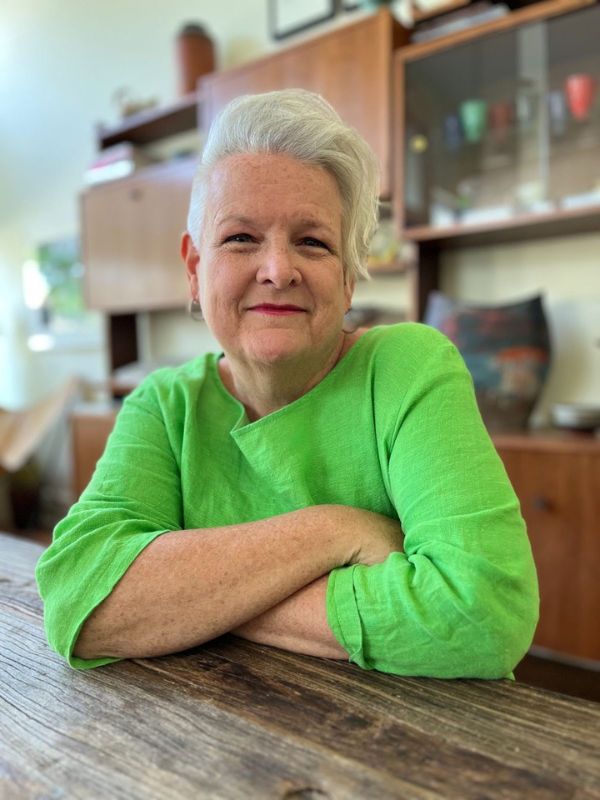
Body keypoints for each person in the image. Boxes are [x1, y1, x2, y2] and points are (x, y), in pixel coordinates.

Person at [36, 89, 538, 676]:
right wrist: (335, 530)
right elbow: (77, 595)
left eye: (312, 242)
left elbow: (483, 613)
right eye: (241, 238)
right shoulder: (164, 405)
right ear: (195, 269)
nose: (278, 270)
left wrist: (192, 600)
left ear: (347, 281)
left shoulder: (409, 367)